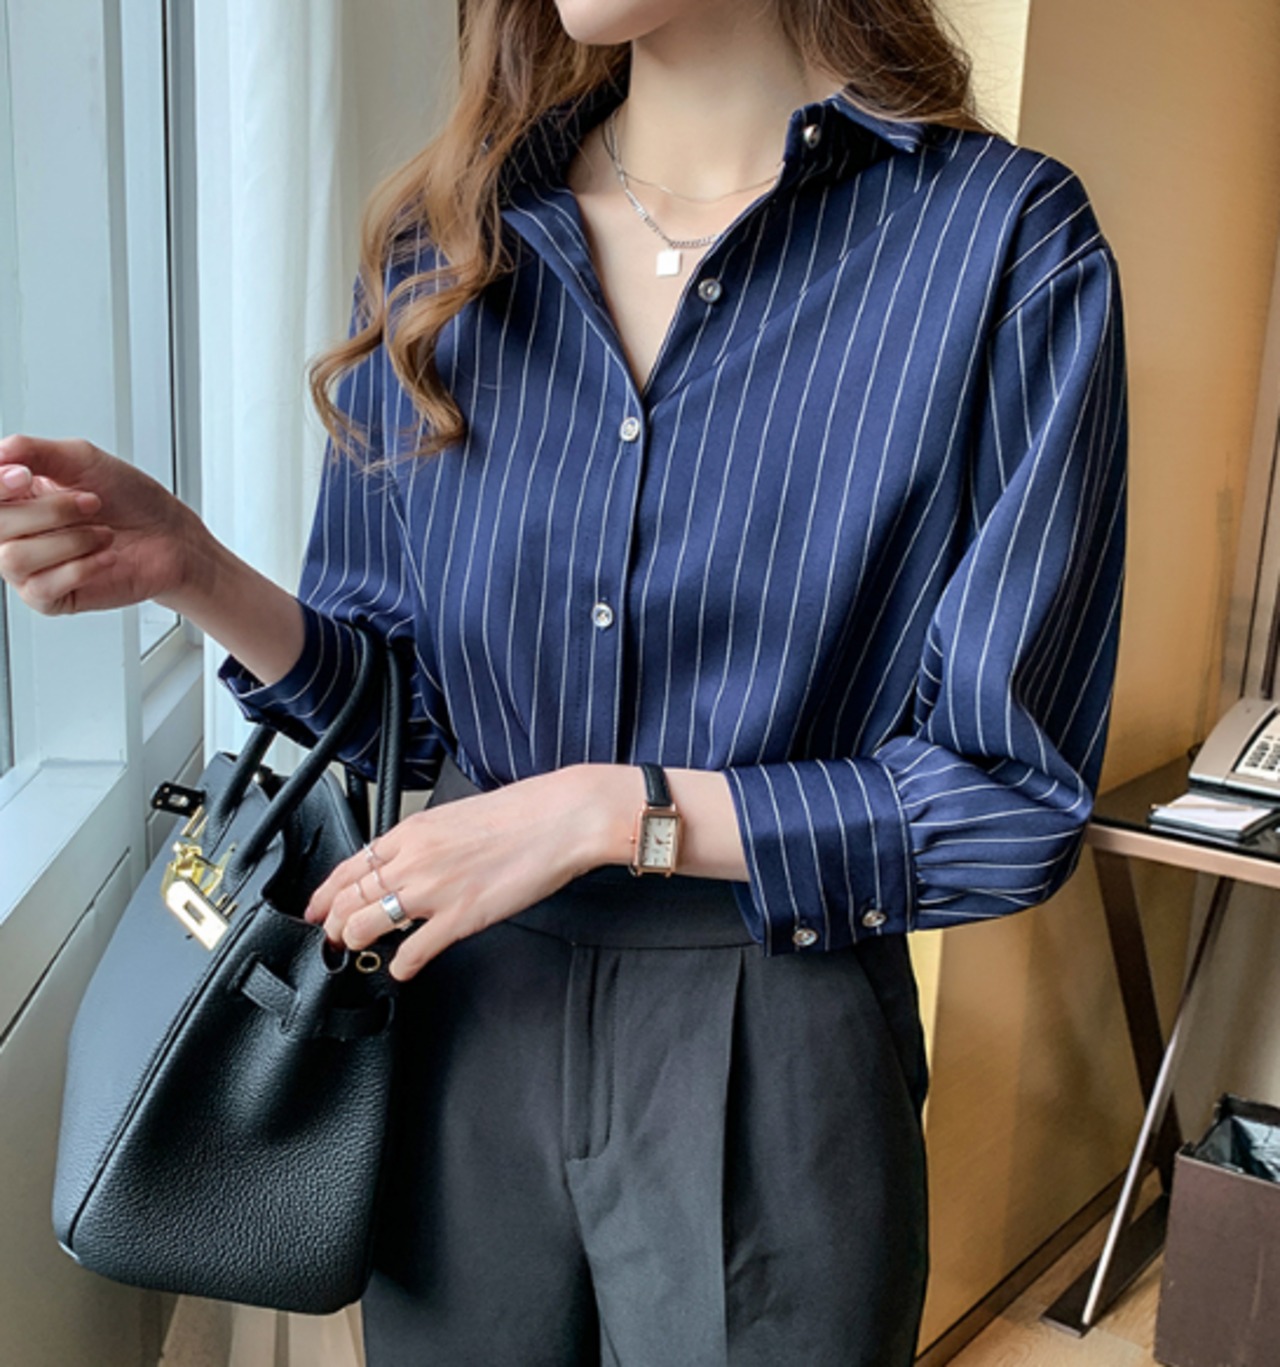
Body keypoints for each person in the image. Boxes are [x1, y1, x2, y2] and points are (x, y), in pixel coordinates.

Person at [0, 0, 1127, 1361]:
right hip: (459, 1007)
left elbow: (1010, 802)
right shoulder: (447, 244)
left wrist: (606, 811)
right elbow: (404, 716)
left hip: (775, 1018)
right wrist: (194, 571)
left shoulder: (1001, 246)